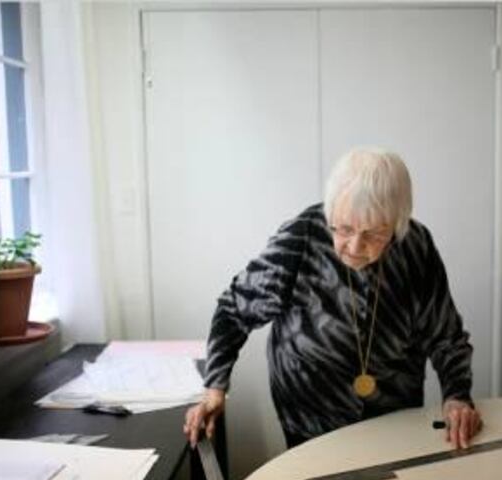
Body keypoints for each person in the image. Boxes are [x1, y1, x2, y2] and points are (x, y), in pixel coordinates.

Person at [184, 147, 481, 450]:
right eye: (344, 228)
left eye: (375, 234)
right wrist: (215, 387)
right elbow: (235, 310)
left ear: (397, 223)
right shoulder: (301, 239)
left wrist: (456, 397)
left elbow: (445, 336)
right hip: (310, 417)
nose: (354, 245)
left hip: (394, 419)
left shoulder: (415, 246)